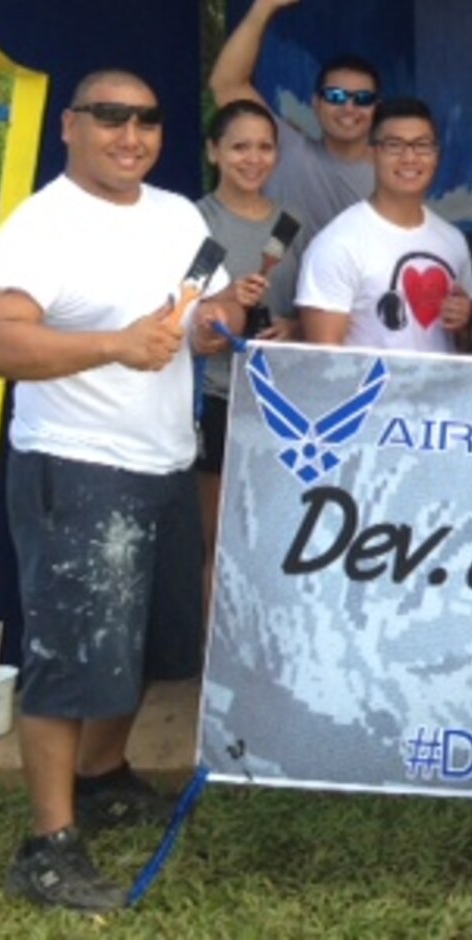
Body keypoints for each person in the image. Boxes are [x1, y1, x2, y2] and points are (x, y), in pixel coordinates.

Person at [0, 70, 245, 914]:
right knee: (71, 654)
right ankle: (48, 845)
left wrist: (213, 324)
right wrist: (113, 347)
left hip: (163, 460)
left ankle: (103, 774)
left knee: (145, 645)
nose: (131, 134)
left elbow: (208, 306)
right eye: (111, 118)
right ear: (72, 126)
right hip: (76, 466)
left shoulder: (176, 215)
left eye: (148, 119)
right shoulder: (41, 224)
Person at [195, 100, 298, 598]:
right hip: (215, 399)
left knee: (278, 539)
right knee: (219, 541)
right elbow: (180, 314)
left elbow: (306, 311)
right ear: (214, 152)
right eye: (239, 147)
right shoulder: (195, 223)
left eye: (264, 147)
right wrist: (228, 303)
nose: (253, 158)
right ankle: (209, 663)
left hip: (283, 408)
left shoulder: (290, 229)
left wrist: (291, 328)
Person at [296, 97, 472, 353]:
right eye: (394, 145)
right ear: (371, 153)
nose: (410, 158)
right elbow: (325, 362)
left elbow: (468, 348)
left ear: (436, 154)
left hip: (441, 392)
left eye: (422, 146)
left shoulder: (453, 240)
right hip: (374, 393)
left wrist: (465, 322)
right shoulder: (338, 243)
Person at [208, 0, 381, 231]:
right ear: (316, 103)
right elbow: (227, 85)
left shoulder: (393, 171)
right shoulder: (284, 149)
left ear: (376, 107)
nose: (349, 107)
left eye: (363, 98)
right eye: (335, 96)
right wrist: (264, 6)